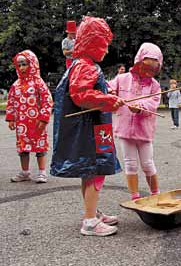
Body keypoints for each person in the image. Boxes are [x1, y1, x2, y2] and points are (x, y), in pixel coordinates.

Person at [51, 16, 124, 236]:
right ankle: (90, 221)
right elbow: (81, 94)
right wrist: (108, 100)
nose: (107, 49)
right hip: (90, 130)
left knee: (90, 172)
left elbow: (87, 92)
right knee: (95, 170)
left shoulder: (81, 64)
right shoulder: (85, 65)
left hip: (93, 128)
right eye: (104, 43)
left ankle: (92, 211)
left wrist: (108, 95)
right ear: (93, 41)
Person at [108, 42, 163, 201]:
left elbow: (153, 104)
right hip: (125, 130)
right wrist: (111, 96)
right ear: (137, 62)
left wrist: (140, 107)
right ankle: (135, 197)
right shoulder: (122, 78)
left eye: (152, 70)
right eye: (145, 67)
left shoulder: (155, 86)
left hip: (144, 131)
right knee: (130, 164)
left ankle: (155, 194)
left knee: (147, 164)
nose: (147, 72)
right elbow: (108, 89)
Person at [5, 50, 53, 183]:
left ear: (32, 64)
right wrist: (10, 118)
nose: (22, 68)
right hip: (22, 125)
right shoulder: (16, 85)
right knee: (23, 149)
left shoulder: (39, 83)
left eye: (24, 64)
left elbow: (47, 101)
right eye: (19, 65)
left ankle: (42, 172)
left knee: (40, 148)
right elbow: (11, 102)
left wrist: (44, 118)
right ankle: (25, 172)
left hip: (37, 123)